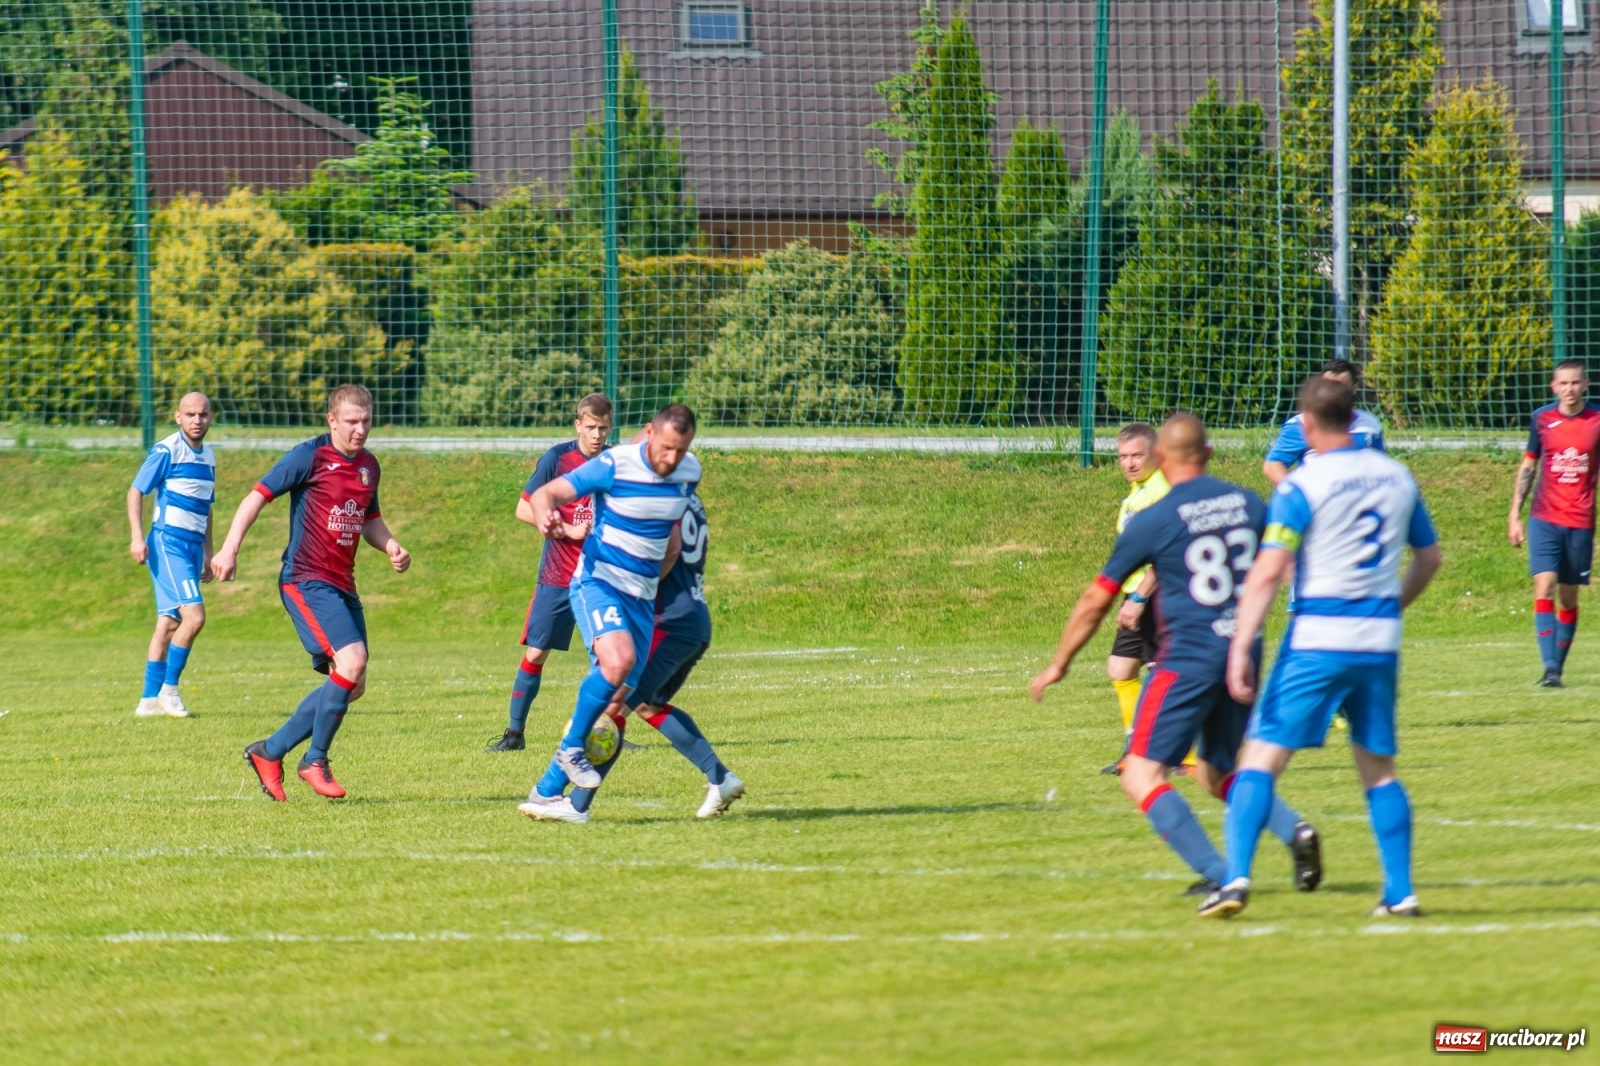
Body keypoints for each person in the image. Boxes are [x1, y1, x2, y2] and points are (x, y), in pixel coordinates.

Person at [1030, 414, 1322, 898]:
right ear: (1209, 453)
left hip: (1187, 659)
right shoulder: (1249, 503)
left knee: (1140, 773)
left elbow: (1096, 598)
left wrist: (1060, 663)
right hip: (1242, 653)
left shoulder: (1155, 518)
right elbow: (1283, 564)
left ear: (1160, 457)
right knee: (1216, 771)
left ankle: (1219, 873)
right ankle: (1295, 831)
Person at [1202, 376, 1441, 920]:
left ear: (1306, 425)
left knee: (1259, 760)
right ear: (1356, 418)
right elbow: (1429, 559)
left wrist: (1240, 646)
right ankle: (1400, 893)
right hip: (1377, 643)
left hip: (1316, 639)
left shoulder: (1302, 486)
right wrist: (1391, 606)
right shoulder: (1396, 476)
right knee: (1379, 769)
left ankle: (1235, 880)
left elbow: (1268, 571)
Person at [213, 384, 412, 801]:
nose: (360, 430)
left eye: (366, 421)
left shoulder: (369, 466)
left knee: (353, 683)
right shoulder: (310, 456)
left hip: (343, 583)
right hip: (305, 579)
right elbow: (255, 497)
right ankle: (314, 760)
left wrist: (391, 544)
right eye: (352, 422)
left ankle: (269, 751)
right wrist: (229, 548)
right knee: (352, 662)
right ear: (332, 420)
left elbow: (369, 520)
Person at [517, 404, 702, 824]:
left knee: (617, 705)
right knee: (617, 662)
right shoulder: (614, 465)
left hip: (642, 598)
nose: (671, 458)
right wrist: (547, 516)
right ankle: (570, 748)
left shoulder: (689, 471)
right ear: (649, 433)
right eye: (666, 447)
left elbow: (670, 541)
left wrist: (656, 583)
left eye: (681, 449)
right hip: (597, 582)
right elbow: (546, 494)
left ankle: (548, 791)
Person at [538, 489, 745, 820]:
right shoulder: (687, 496)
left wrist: (631, 589)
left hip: (666, 619)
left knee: (613, 707)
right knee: (649, 705)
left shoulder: (656, 493)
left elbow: (669, 548)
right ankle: (720, 778)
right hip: (693, 615)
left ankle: (576, 805)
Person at [486, 393, 615, 751]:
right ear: (578, 425)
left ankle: (611, 731)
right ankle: (515, 734)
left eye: (603, 428)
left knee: (610, 657)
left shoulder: (615, 462)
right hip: (558, 575)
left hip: (602, 579)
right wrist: (564, 528)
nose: (597, 435)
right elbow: (523, 509)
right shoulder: (557, 459)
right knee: (537, 652)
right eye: (591, 427)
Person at [1102, 423, 1191, 777]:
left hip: (1158, 594)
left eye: (1137, 455)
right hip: (1137, 593)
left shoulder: (1161, 491)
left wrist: (1139, 597)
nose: (1129, 463)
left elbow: (1165, 554)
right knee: (1120, 668)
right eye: (1123, 456)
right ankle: (1136, 748)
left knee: (1164, 674)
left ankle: (1185, 755)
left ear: (1156, 454)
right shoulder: (1137, 492)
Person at [1509, 359, 1600, 687]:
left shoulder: (1597, 418)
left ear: (1585, 385)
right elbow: (1528, 466)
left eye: (1575, 383)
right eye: (1563, 383)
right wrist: (1514, 514)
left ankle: (1556, 668)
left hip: (1580, 520)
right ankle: (1549, 669)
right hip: (1544, 517)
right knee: (1544, 584)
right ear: (1554, 387)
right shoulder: (1542, 418)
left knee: (1568, 596)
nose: (1569, 389)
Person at [126, 392, 216, 718]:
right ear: (178, 417)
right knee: (195, 617)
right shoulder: (167, 450)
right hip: (168, 543)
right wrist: (137, 537)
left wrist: (208, 551)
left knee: (168, 624)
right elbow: (136, 491)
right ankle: (169, 690)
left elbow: (206, 507)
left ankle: (148, 703)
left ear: (211, 417)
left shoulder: (209, 456)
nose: (197, 420)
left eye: (202, 414)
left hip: (192, 547)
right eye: (190, 414)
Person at [1261, 359, 1385, 486]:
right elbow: (1273, 465)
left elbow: (1380, 465)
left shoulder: (1370, 424)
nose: (1335, 393)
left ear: (1355, 387)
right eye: (1329, 386)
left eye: (1342, 386)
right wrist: (1296, 492)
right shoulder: (1302, 424)